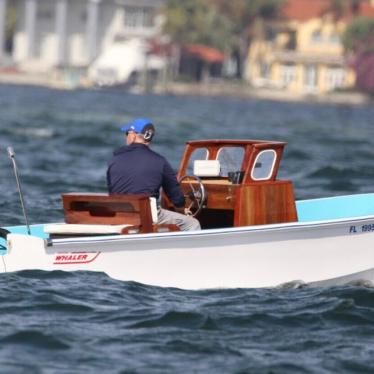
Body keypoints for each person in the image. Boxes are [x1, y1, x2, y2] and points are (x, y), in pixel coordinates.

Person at [107, 118, 201, 231]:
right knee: (192, 224)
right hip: (146, 214)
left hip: (119, 214)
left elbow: (112, 190)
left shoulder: (115, 159)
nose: (126, 136)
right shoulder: (160, 161)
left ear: (133, 135)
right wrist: (182, 210)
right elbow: (176, 197)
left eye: (127, 133)